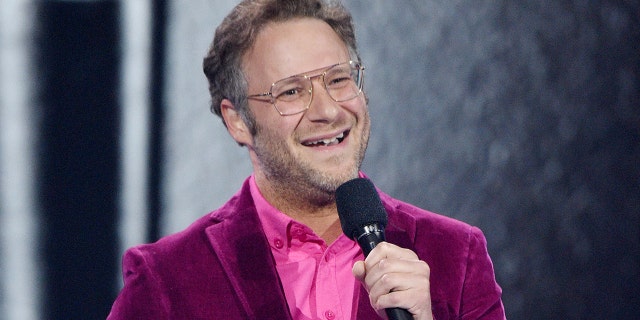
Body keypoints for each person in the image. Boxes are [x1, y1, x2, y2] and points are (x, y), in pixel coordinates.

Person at [107, 0, 505, 319]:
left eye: (338, 79)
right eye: (291, 92)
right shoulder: (168, 279)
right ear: (237, 121)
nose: (328, 111)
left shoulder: (455, 255)